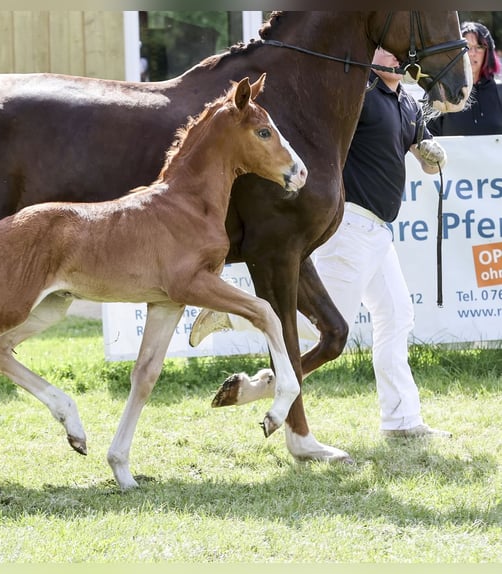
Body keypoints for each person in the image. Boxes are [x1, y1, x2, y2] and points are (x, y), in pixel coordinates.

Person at [191, 48, 451, 439]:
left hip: (381, 232)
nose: (393, 57)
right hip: (349, 225)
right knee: (325, 328)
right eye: (386, 49)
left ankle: (401, 421)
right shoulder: (358, 96)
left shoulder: (408, 104)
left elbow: (426, 160)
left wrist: (434, 156)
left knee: (397, 317)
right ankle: (237, 313)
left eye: (399, 53)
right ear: (375, 52)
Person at [427, 21, 502, 136]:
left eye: (479, 47)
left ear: (488, 53)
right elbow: (427, 141)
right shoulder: (440, 92)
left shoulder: (499, 91)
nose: (472, 53)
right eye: (466, 47)